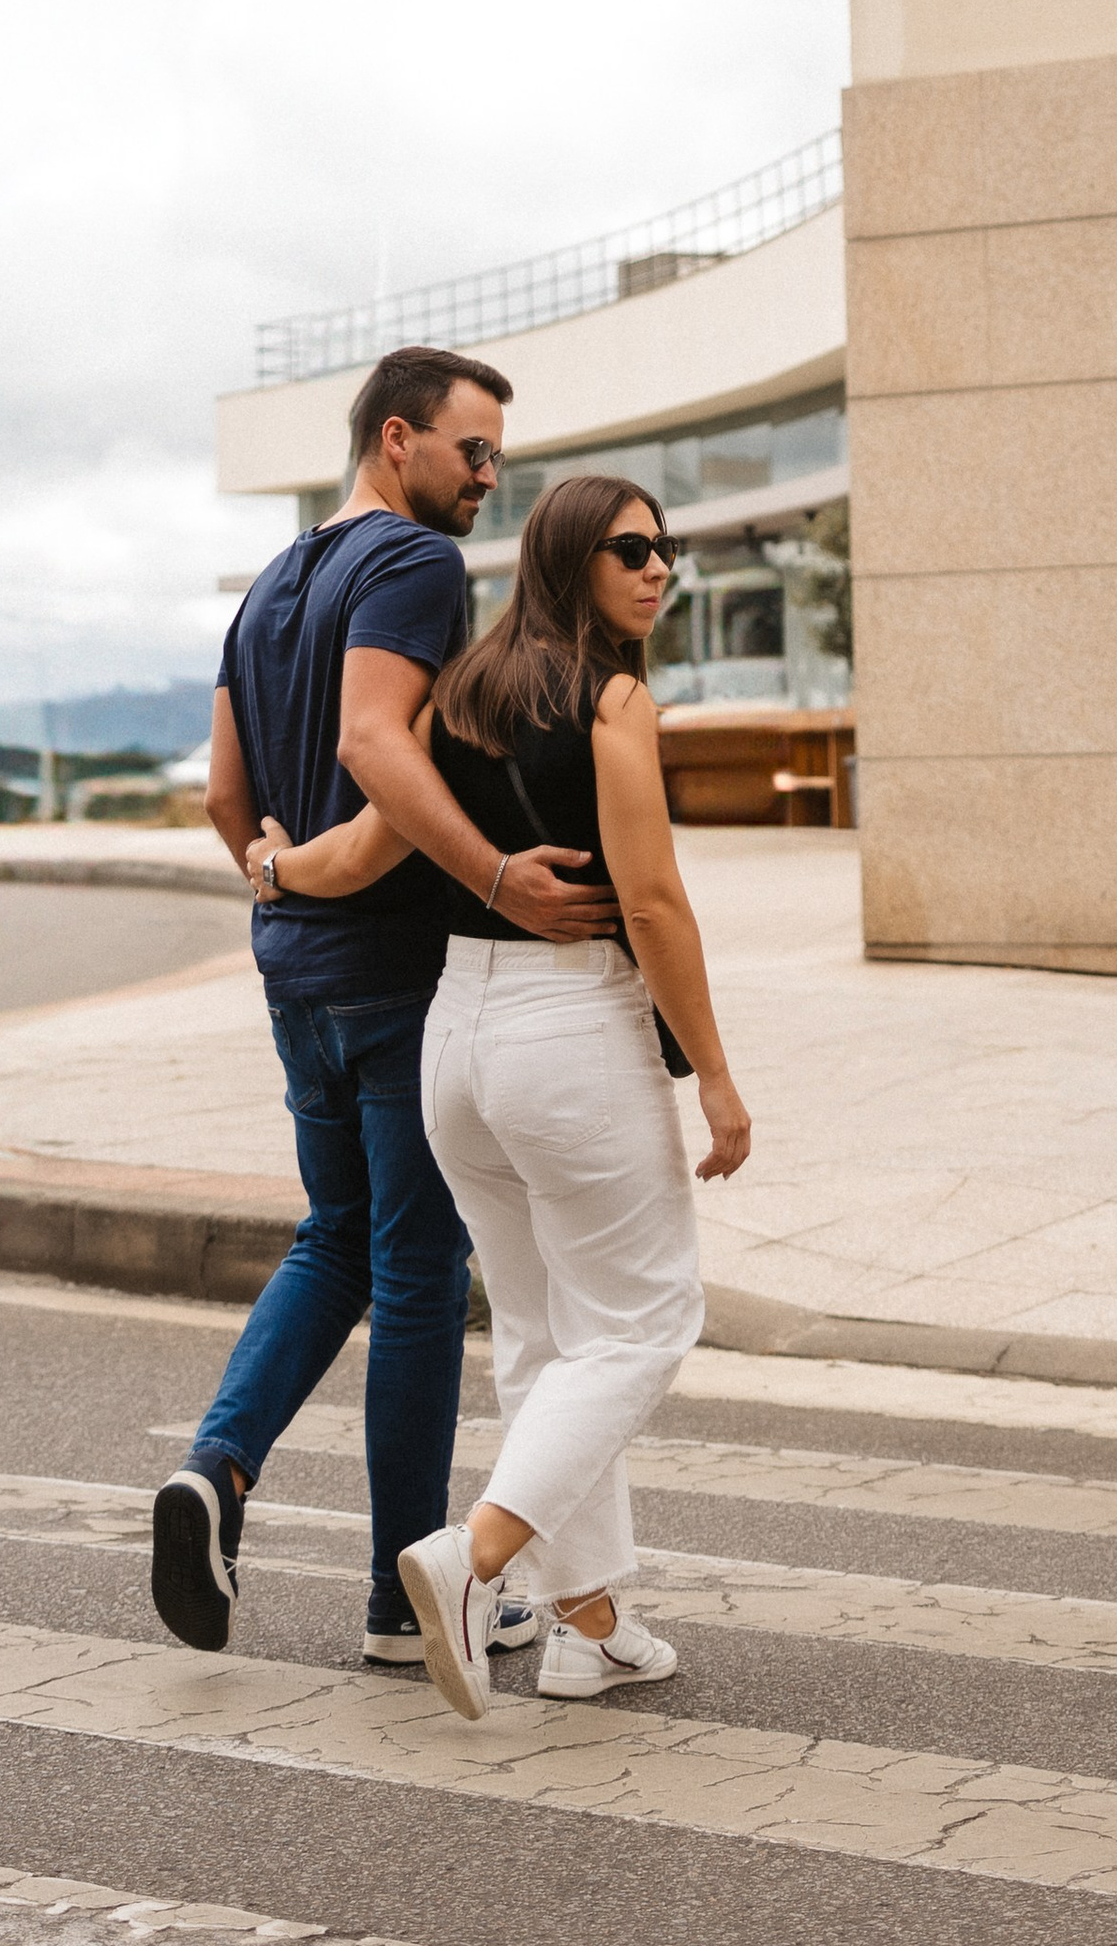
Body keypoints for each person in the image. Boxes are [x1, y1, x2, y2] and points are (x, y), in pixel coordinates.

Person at [241, 470, 752, 1717]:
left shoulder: (462, 690)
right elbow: (653, 904)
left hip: (455, 1039)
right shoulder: (614, 698)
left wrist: (270, 866)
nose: (659, 568)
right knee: (640, 1326)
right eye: (632, 548)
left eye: (666, 548)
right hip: (567, 1027)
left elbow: (366, 848)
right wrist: (720, 1082)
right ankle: (469, 1562)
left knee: (541, 1337)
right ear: (574, 559)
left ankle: (589, 1627)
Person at [148, 345, 619, 1672]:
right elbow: (372, 743)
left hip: (292, 968)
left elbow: (224, 797)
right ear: (397, 438)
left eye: (498, 459)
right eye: (472, 452)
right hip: (395, 971)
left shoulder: (272, 584)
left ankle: (217, 1470)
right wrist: (494, 875)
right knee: (421, 1272)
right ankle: (406, 1598)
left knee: (337, 1239)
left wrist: (275, 878)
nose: (487, 478)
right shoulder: (412, 567)